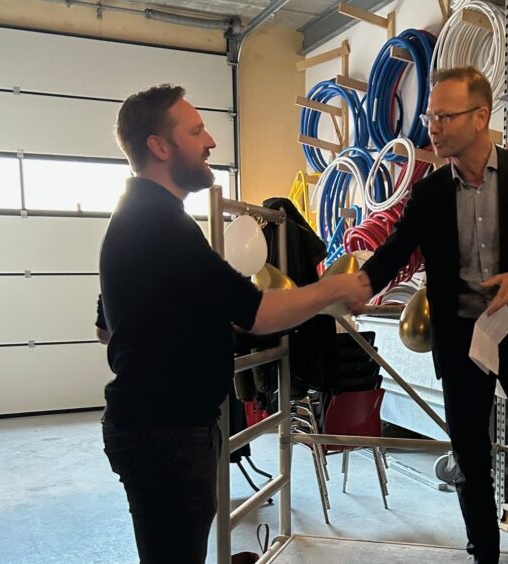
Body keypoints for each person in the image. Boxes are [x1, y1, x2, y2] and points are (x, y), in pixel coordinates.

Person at [99, 84, 371, 564]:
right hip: (168, 433)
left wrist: (197, 331)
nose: (210, 142)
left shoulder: (137, 216)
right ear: (159, 146)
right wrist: (336, 289)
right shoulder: (162, 225)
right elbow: (257, 312)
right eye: (196, 131)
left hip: (154, 428)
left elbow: (109, 327)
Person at [359, 67, 508, 564]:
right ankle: (483, 555)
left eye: (444, 116)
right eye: (430, 116)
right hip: (463, 338)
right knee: (470, 460)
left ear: (480, 116)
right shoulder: (428, 194)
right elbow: (394, 251)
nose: (433, 127)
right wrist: (356, 285)